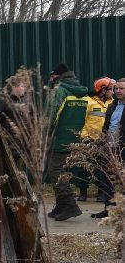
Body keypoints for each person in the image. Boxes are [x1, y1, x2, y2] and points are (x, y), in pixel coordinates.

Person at [45, 63, 90, 220]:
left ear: (58, 76)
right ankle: (61, 206)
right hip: (76, 139)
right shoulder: (83, 93)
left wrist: (44, 134)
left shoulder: (60, 91)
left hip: (59, 139)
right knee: (63, 171)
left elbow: (51, 115)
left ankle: (70, 205)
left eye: (52, 76)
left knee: (56, 171)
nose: (50, 79)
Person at [93, 78, 125, 217]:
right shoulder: (112, 105)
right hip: (110, 147)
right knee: (107, 179)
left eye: (122, 88)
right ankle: (109, 210)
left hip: (123, 148)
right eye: (116, 88)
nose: (118, 91)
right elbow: (107, 126)